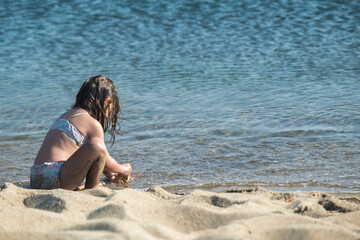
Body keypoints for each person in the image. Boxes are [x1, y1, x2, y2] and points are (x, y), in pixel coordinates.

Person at [30, 75, 132, 190]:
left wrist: (110, 173)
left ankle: (80, 186)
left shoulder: (65, 116)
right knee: (97, 144)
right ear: (107, 102)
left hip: (36, 177)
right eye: (111, 109)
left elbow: (96, 160)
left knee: (95, 148)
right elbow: (104, 157)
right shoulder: (93, 124)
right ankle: (91, 187)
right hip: (56, 177)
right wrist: (123, 169)